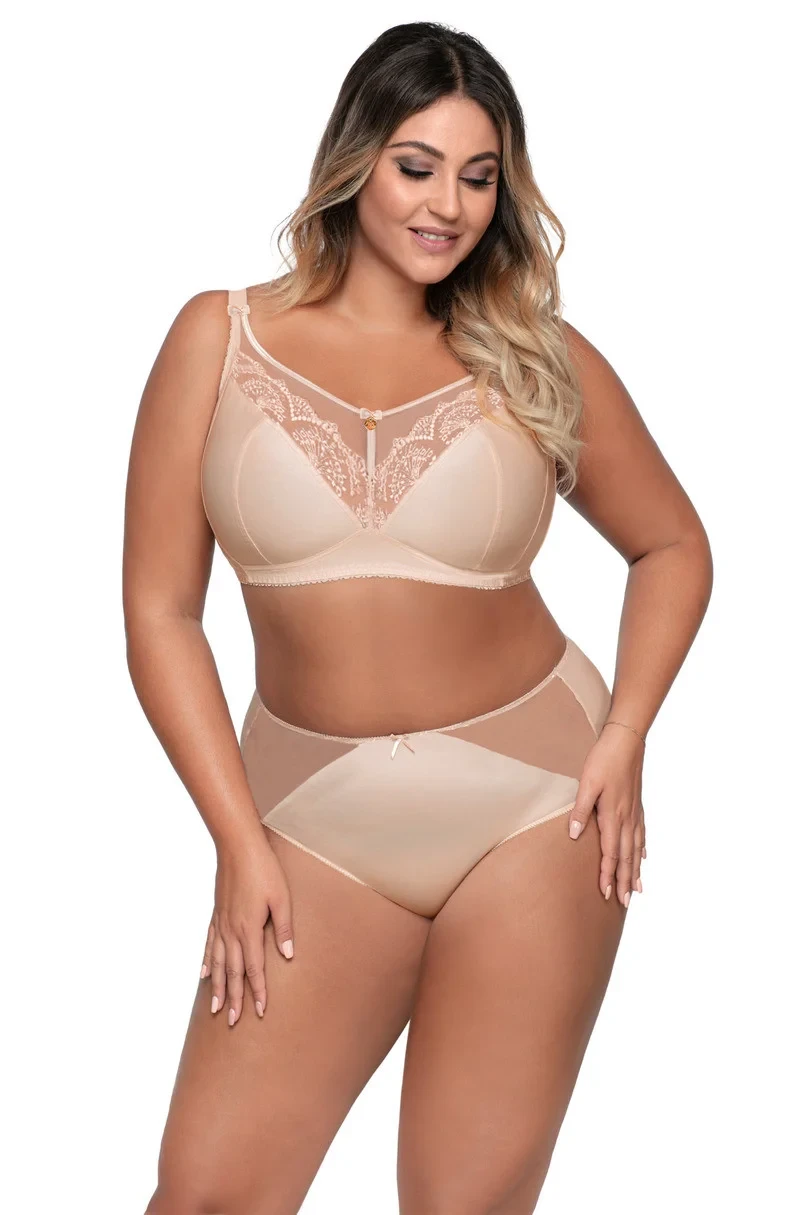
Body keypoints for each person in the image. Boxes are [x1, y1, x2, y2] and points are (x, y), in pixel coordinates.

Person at [124, 21, 713, 1215]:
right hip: (309, 818)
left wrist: (624, 736)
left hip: (537, 804)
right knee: (204, 1197)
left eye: (479, 177)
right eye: (418, 165)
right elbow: (160, 611)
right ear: (355, 160)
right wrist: (237, 842)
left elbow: (672, 547)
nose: (449, 205)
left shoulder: (533, 355)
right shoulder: (216, 339)